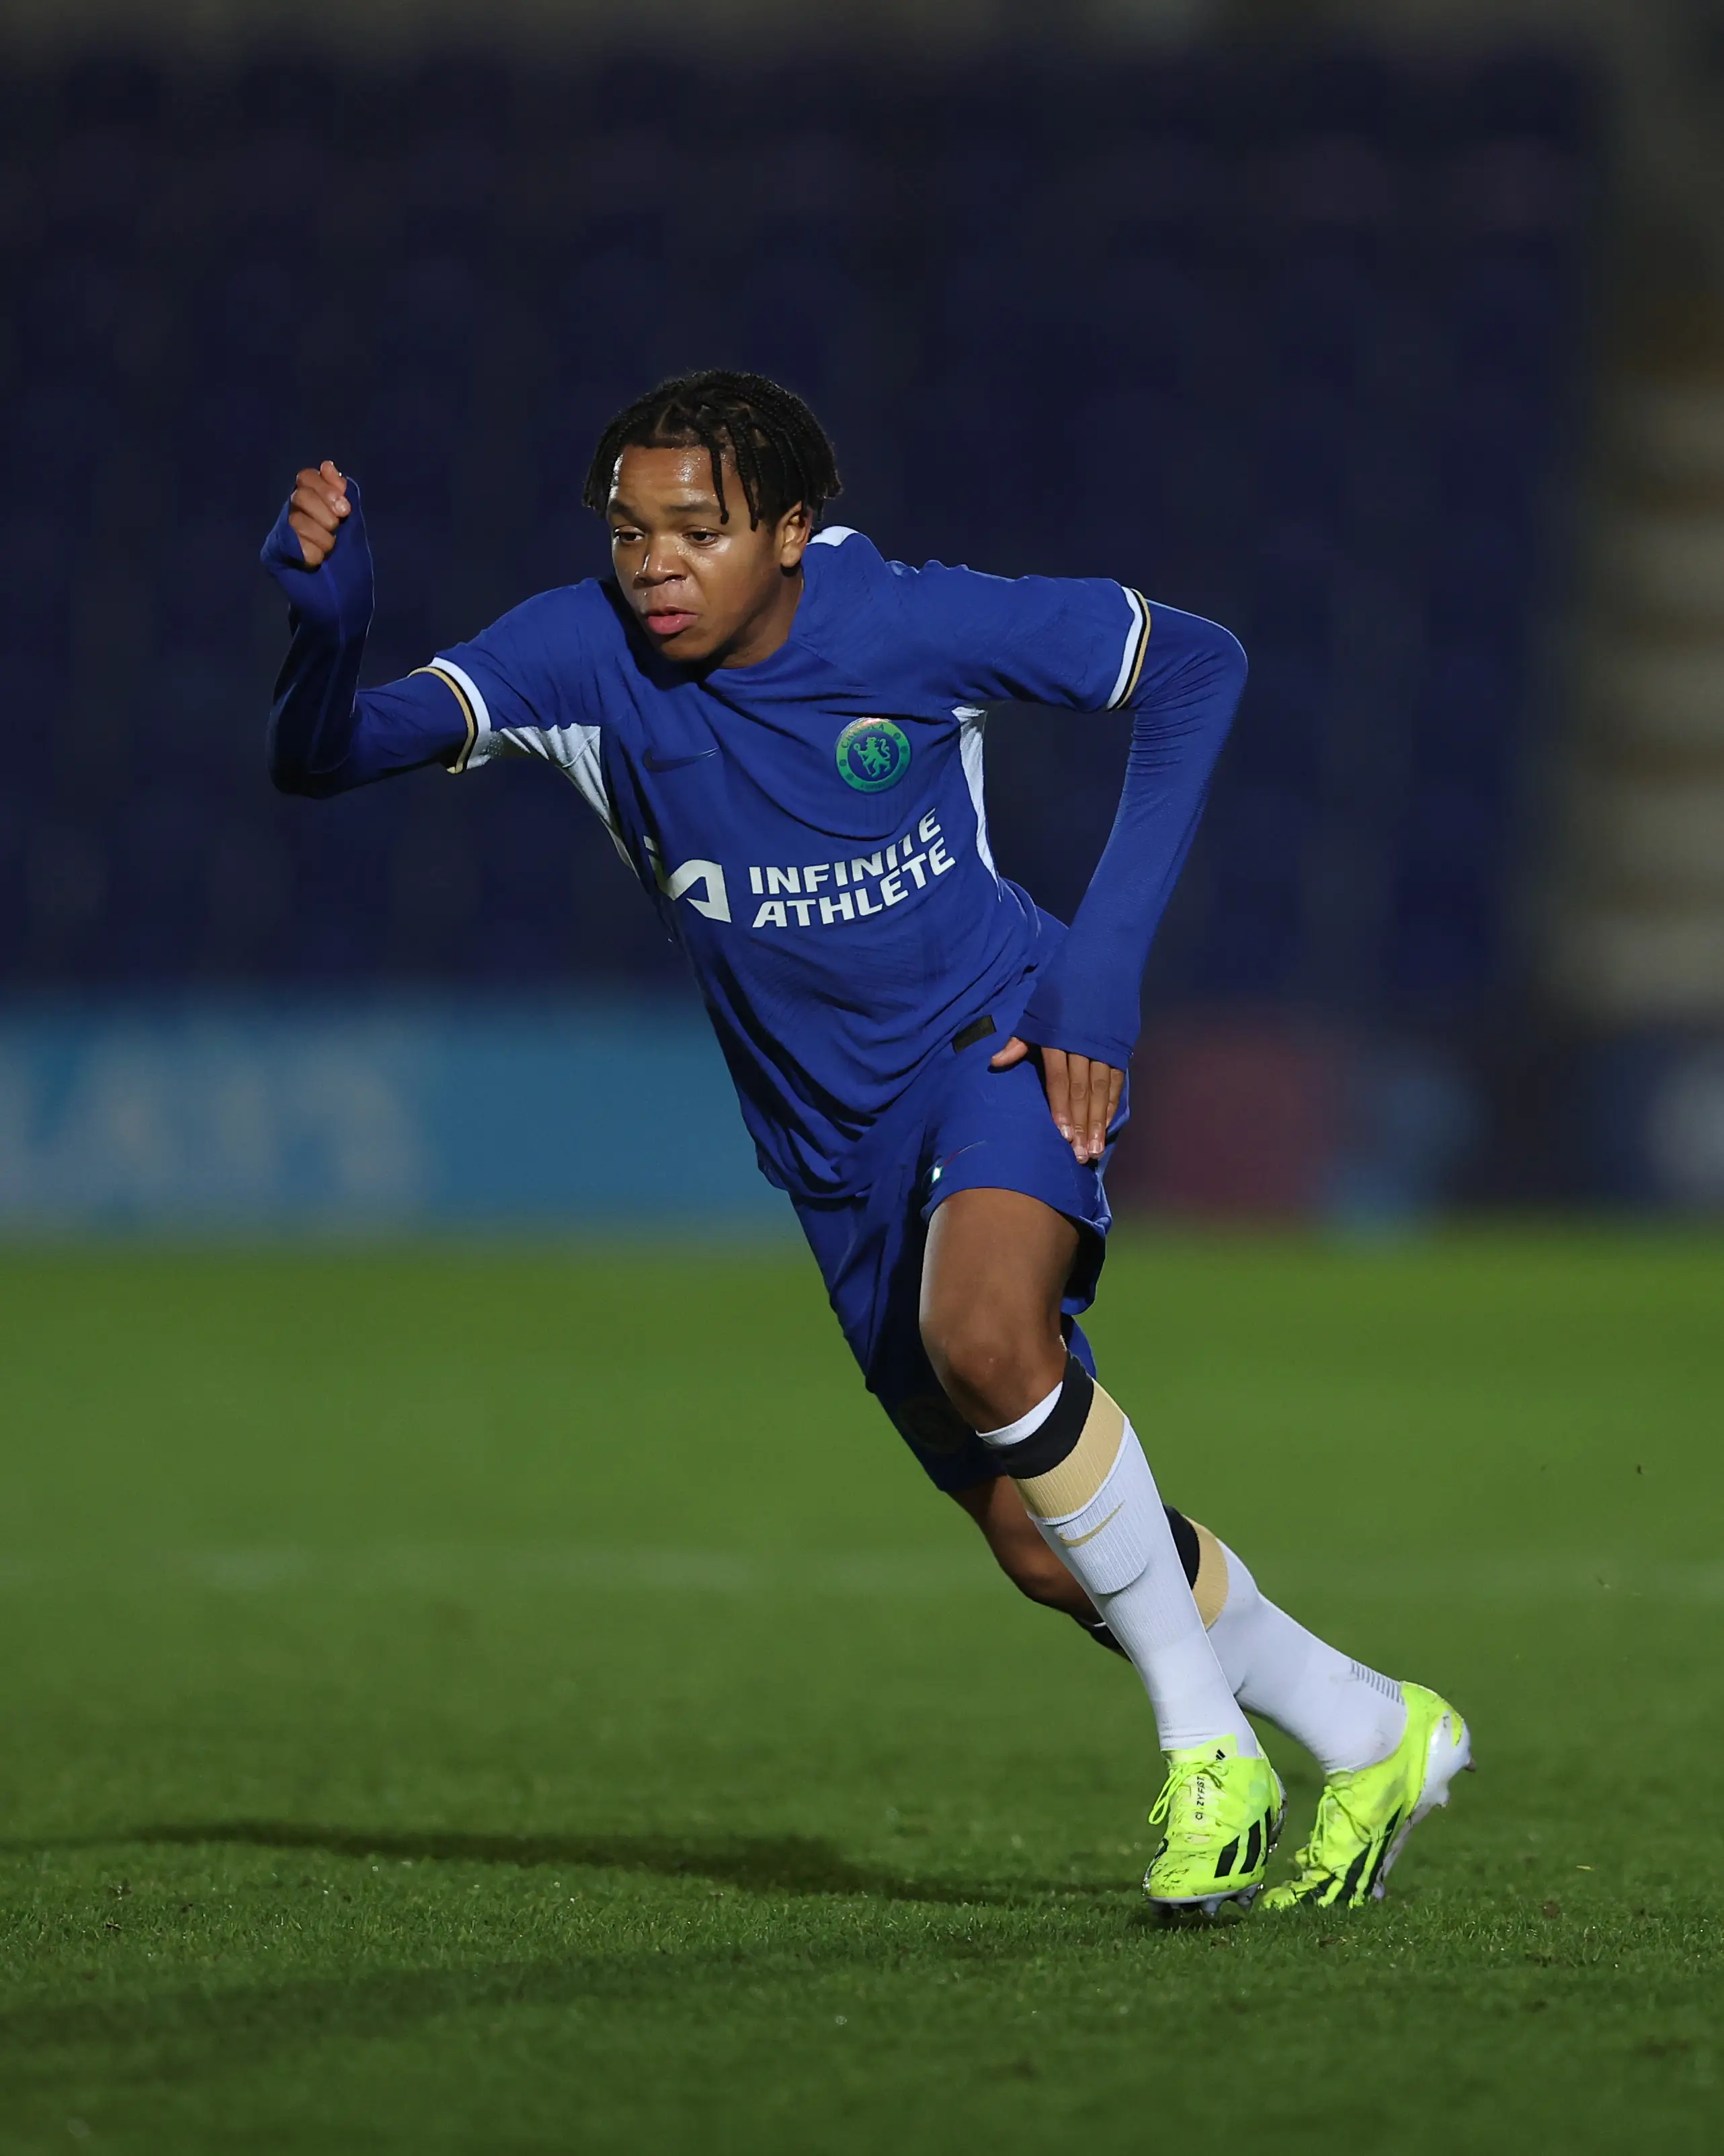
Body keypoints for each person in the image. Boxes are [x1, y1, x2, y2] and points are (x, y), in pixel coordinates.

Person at [259, 370, 1470, 1919]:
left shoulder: (902, 621)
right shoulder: (576, 657)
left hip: (1001, 1043)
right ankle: (1372, 1730)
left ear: (788, 531)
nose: (653, 566)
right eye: (628, 532)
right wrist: (324, 630)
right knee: (1050, 1550)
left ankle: (1206, 1747)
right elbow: (322, 755)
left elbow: (1198, 666)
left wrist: (1098, 965)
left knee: (984, 1332)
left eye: (695, 531)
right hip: (830, 1157)